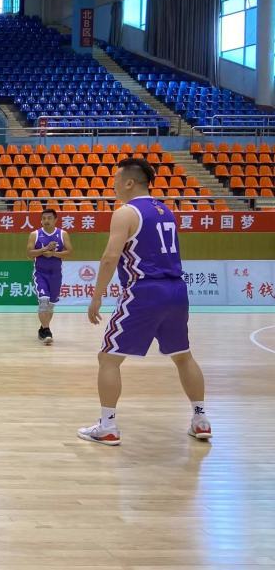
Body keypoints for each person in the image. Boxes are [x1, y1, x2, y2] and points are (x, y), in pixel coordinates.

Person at [78, 157, 211, 446]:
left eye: (116, 180)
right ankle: (201, 420)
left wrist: (96, 296)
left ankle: (108, 426)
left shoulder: (126, 212)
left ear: (129, 182)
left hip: (144, 290)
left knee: (108, 358)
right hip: (176, 290)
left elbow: (110, 257)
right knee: (183, 356)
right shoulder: (166, 210)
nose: (113, 185)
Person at [26, 208, 73, 345]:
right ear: (41, 220)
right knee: (43, 301)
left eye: (49, 218)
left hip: (56, 275)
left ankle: (43, 328)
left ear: (55, 220)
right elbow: (29, 253)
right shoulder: (34, 234)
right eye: (44, 218)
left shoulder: (62, 234)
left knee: (51, 305)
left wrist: (53, 254)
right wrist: (44, 249)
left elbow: (69, 252)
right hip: (40, 273)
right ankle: (47, 330)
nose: (46, 221)